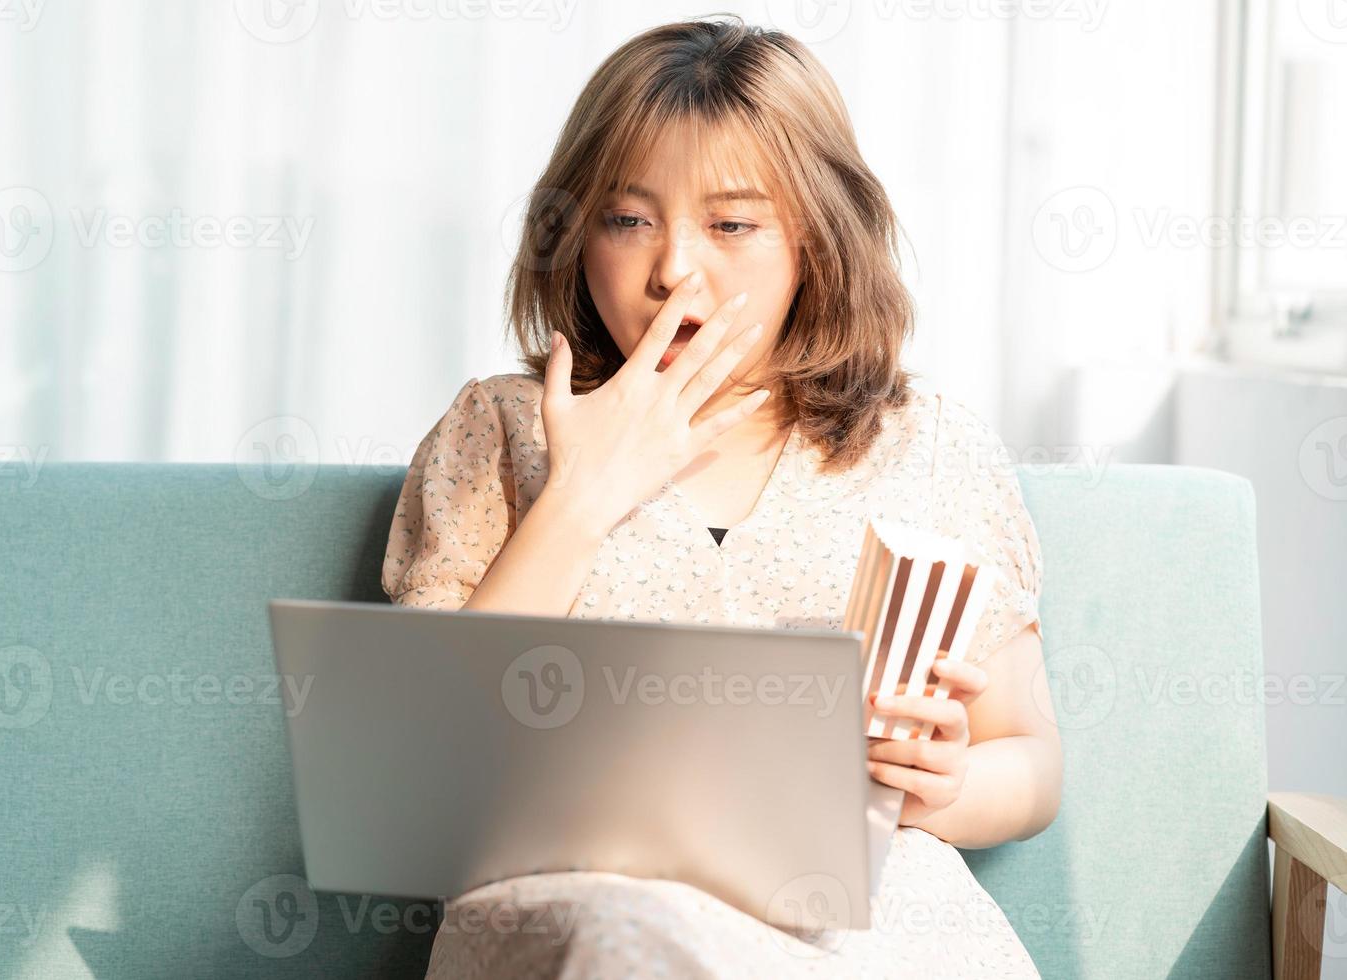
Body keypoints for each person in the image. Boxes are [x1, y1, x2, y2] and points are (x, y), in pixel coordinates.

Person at [381, 15, 1061, 978]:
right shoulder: (499, 431)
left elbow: (1031, 760)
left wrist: (940, 787)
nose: (671, 271)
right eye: (627, 219)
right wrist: (583, 496)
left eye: (733, 225)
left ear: (817, 240)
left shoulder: (932, 446)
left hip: (862, 915)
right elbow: (423, 774)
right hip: (586, 902)